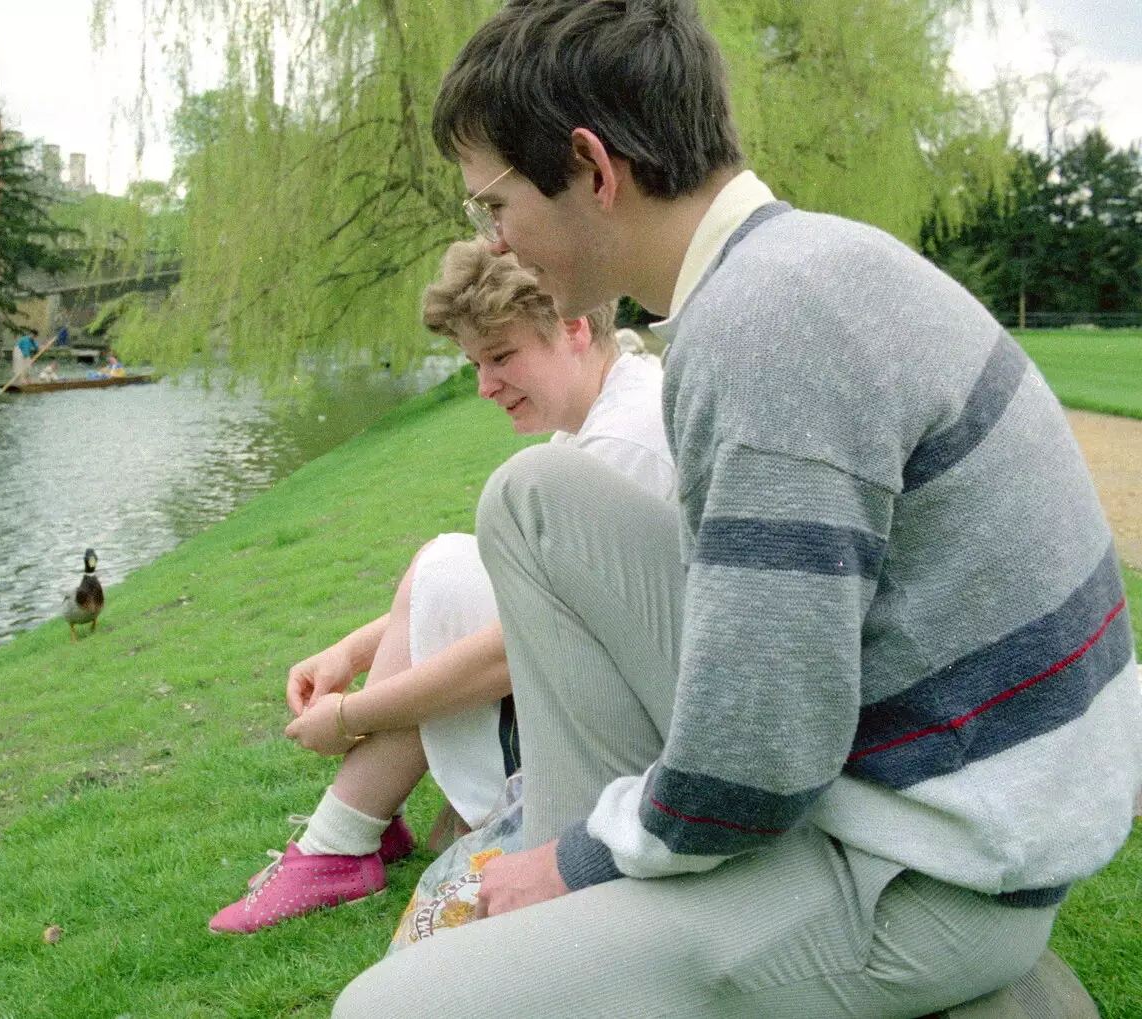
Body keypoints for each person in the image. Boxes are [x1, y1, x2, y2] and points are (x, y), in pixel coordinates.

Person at [334, 2, 1141, 1016]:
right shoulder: (786, 268)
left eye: (494, 204)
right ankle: (613, 910)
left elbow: (761, 751)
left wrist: (580, 861)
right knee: (535, 498)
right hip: (907, 766)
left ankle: (984, 983)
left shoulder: (764, 326)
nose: (492, 238)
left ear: (591, 168)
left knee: (388, 1008)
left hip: (943, 864)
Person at [209, 239, 676, 935]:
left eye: (502, 357)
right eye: (475, 363)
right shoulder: (603, 411)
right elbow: (516, 585)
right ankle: (360, 827)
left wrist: (352, 715)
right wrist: (350, 652)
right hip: (611, 698)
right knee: (448, 562)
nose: (485, 385)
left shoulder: (625, 443)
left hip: (632, 751)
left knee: (446, 567)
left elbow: (513, 647)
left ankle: (341, 840)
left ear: (575, 328)